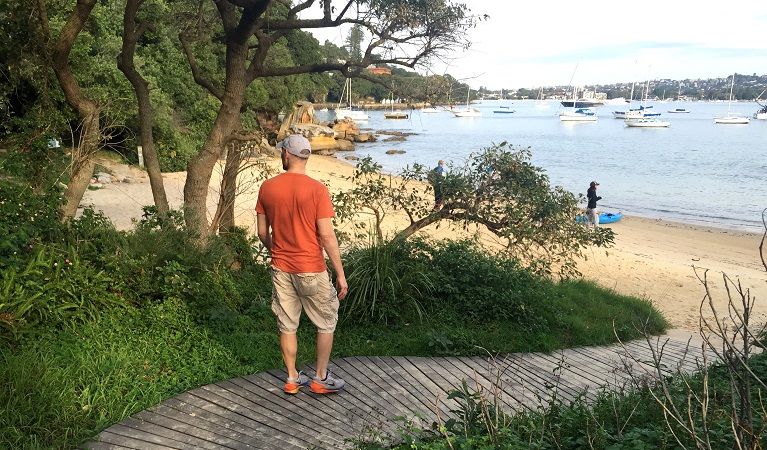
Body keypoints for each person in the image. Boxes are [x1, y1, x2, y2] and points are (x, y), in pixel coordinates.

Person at [255, 134, 349, 395]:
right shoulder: (317, 190)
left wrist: (277, 250)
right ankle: (320, 377)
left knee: (287, 324)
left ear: (286, 154)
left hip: (281, 267)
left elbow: (262, 232)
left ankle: (292, 378)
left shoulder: (268, 187)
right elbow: (327, 236)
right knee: (326, 321)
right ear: (305, 157)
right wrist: (340, 274)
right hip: (312, 268)